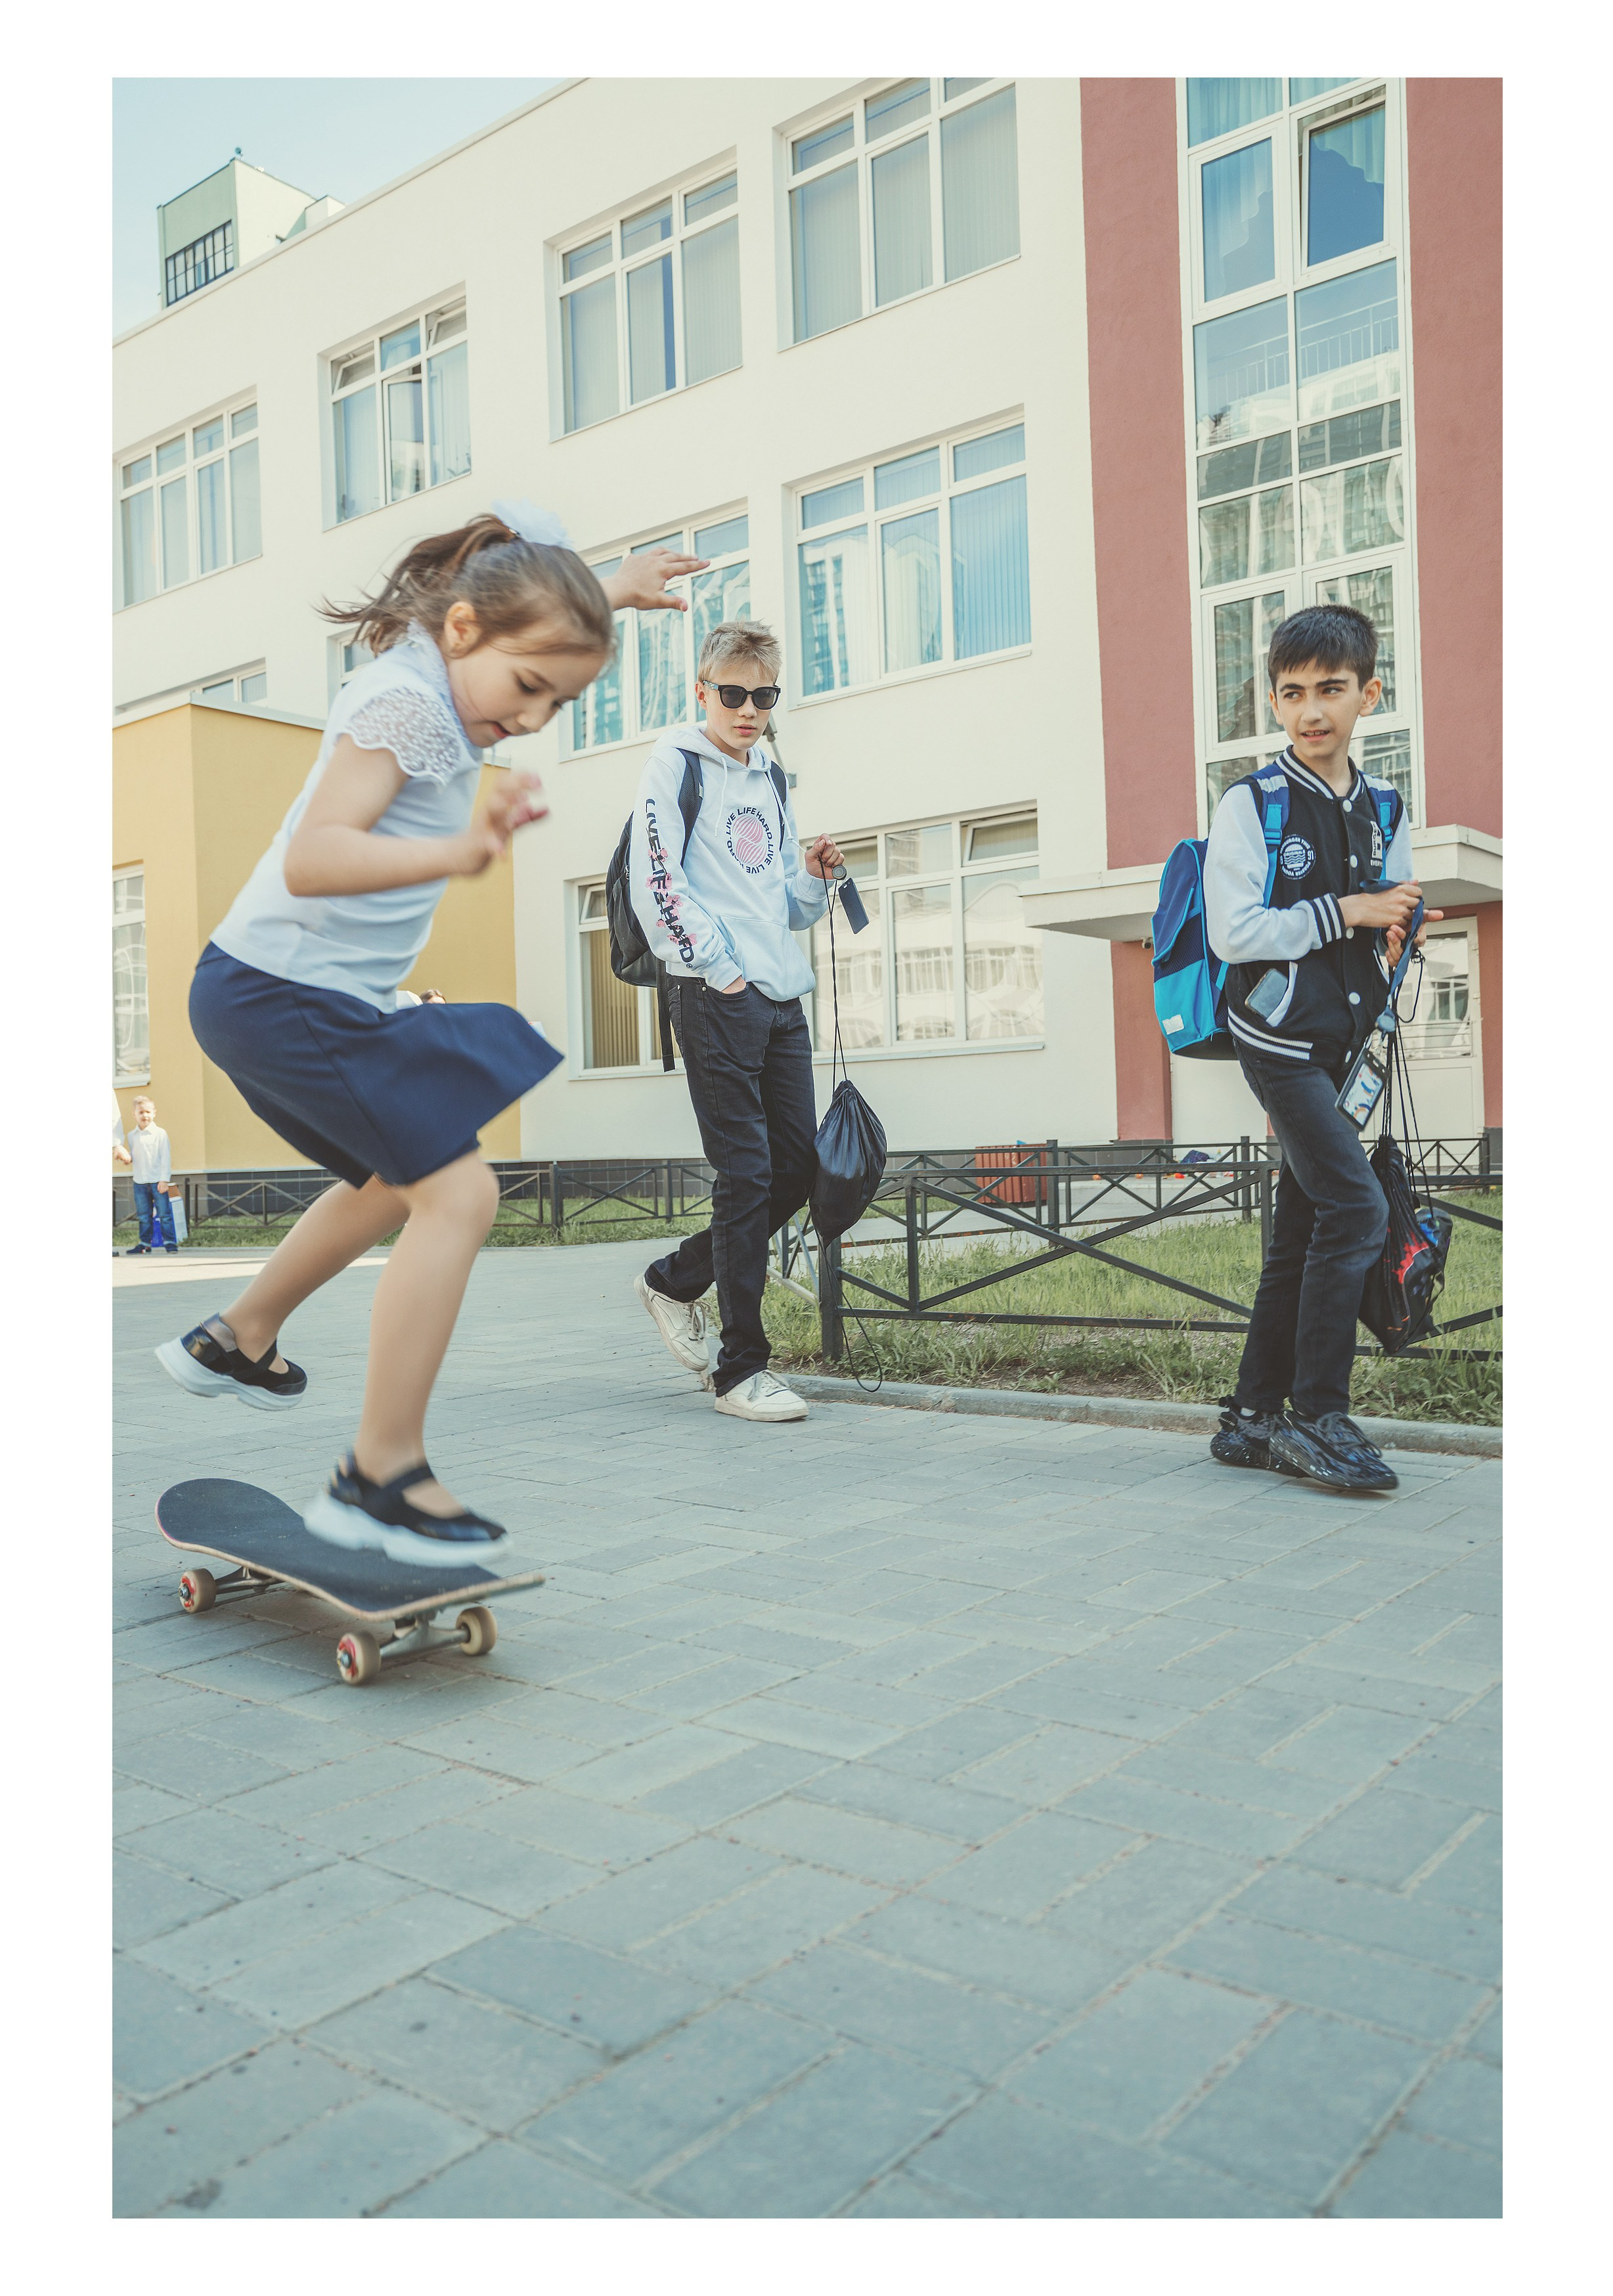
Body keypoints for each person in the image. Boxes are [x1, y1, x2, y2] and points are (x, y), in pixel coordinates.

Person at [154, 503, 705, 1562]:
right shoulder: (406, 704)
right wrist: (458, 853)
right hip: (283, 992)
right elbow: (316, 855)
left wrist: (611, 587)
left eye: (560, 701)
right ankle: (380, 1477)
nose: (535, 717)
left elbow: (514, 597)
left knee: (397, 1180)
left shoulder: (444, 656)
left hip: (274, 992)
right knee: (461, 1191)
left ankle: (237, 1337)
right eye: (530, 687)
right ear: (462, 631)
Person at [1203, 602, 1440, 1494]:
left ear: (1367, 695)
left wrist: (1398, 928)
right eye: (1293, 692)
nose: (1311, 709)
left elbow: (1389, 911)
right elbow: (1233, 932)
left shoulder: (1386, 807)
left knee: (1302, 1227)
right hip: (1275, 1038)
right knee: (1355, 1209)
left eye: (1331, 689)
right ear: (1274, 701)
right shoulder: (1252, 804)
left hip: (1347, 1043)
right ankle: (1317, 1414)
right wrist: (1350, 911)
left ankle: (1251, 1417)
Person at [627, 619, 842, 1422]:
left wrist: (814, 878)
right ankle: (740, 1370)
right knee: (746, 1174)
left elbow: (784, 899)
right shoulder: (675, 764)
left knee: (796, 1168)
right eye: (732, 694)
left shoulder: (771, 777)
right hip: (716, 994)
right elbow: (658, 884)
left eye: (763, 696)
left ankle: (674, 1280)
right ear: (702, 691)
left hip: (780, 996)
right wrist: (719, 971)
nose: (748, 710)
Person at [123, 1095, 180, 1254]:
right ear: (134, 1114)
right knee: (144, 1216)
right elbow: (137, 1155)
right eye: (141, 1112)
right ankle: (145, 1244)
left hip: (157, 1181)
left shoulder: (160, 1133)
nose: (145, 1115)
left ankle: (170, 1242)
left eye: (148, 1112)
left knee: (164, 1214)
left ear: (154, 1113)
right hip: (140, 1182)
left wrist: (164, 1180)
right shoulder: (132, 1136)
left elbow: (165, 1158)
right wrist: (128, 1157)